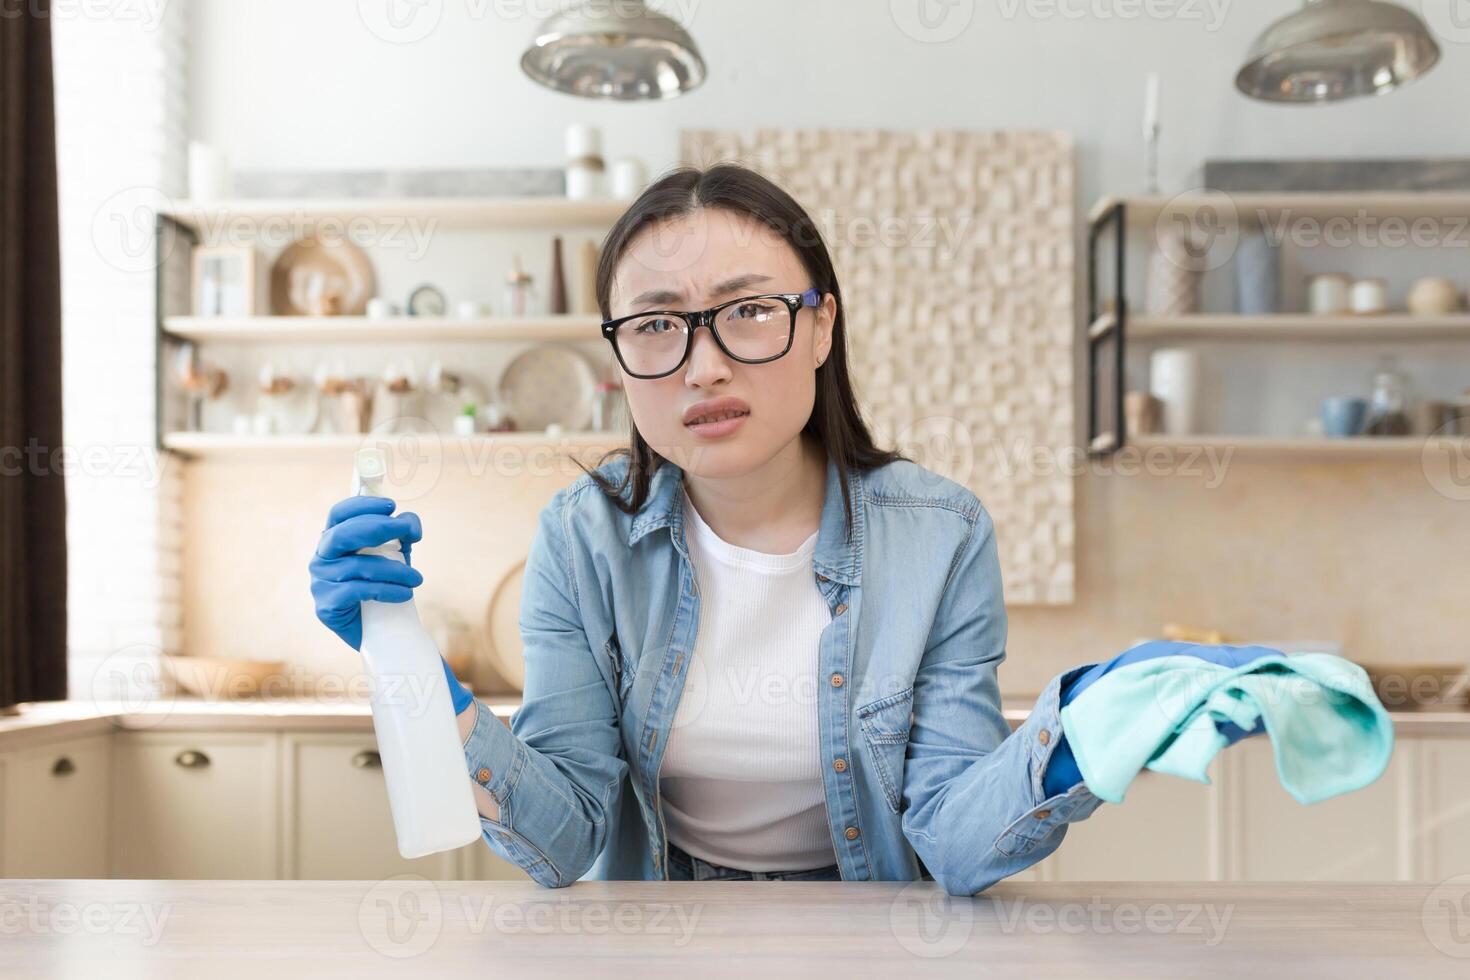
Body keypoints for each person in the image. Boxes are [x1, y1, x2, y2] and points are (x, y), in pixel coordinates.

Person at [308, 163, 1263, 896]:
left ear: (819, 328)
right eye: (655, 325)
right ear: (617, 356)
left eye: (750, 312)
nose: (704, 366)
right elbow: (562, 842)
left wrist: (1087, 723)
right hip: (666, 926)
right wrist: (422, 685)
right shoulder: (582, 537)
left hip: (873, 923)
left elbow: (956, 837)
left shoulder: (942, 535)